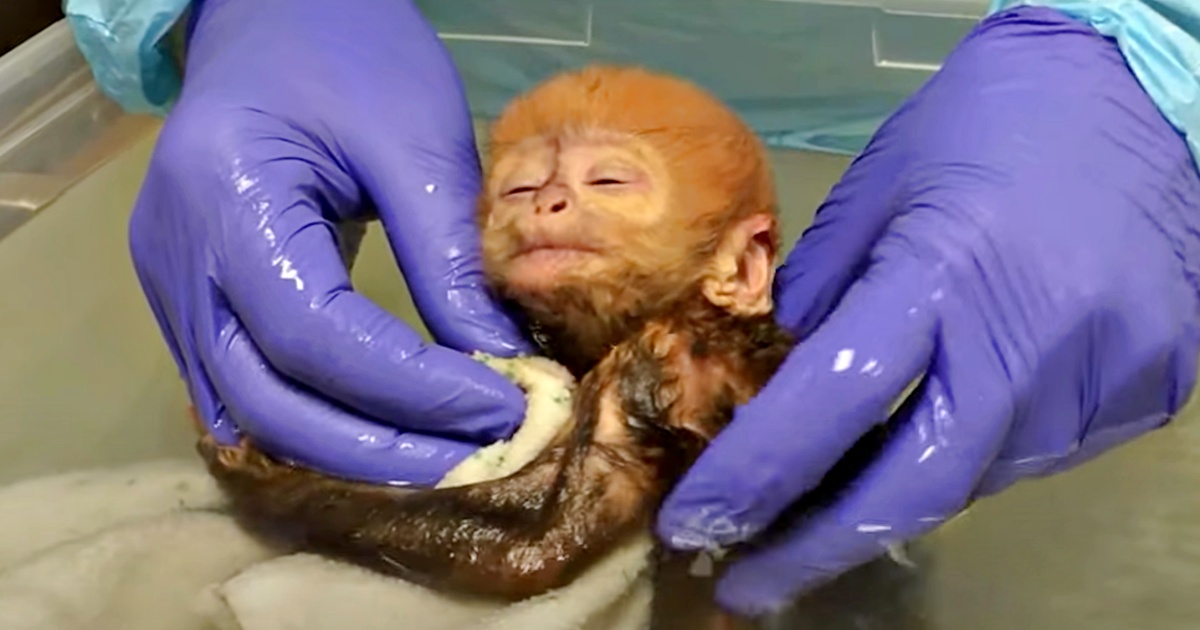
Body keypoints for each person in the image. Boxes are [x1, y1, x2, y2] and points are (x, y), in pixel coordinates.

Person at [63, 0, 1200, 618]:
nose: (554, 196)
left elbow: (543, 537)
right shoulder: (442, 359)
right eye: (520, 187)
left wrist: (1157, 49)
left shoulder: (720, 366)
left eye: (608, 183)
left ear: (743, 265)